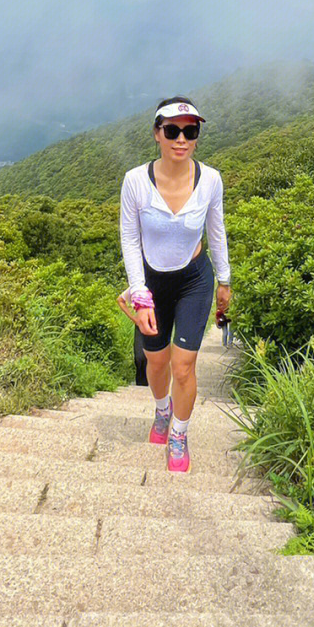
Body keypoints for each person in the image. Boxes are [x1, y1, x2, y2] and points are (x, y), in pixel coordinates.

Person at [119, 97, 232, 472]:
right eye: (172, 130)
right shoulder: (135, 182)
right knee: (156, 362)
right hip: (151, 282)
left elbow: (216, 232)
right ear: (157, 134)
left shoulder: (210, 180)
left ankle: (180, 433)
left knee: (183, 367)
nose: (181, 139)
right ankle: (162, 408)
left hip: (194, 279)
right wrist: (140, 294)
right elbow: (130, 241)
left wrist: (225, 281)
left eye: (190, 130)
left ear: (197, 135)